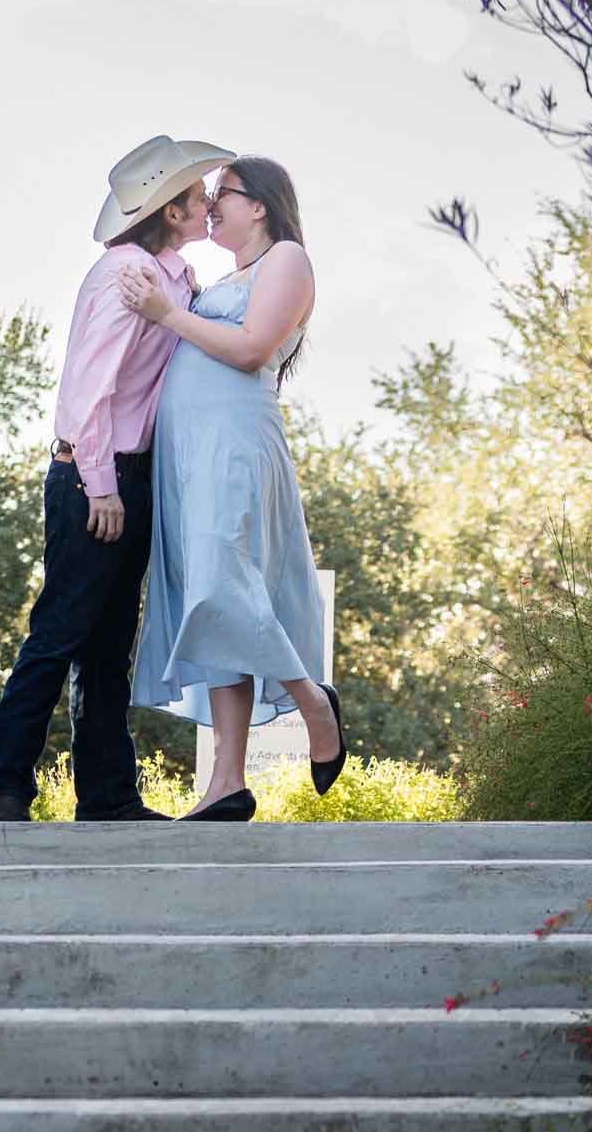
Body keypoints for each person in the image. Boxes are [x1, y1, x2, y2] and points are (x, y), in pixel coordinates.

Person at [0, 134, 234, 823]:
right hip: (94, 474)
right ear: (170, 212)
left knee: (109, 644)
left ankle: (107, 795)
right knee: (60, 631)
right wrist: (101, 486)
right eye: (195, 196)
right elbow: (86, 391)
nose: (207, 201)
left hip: (135, 474)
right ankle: (7, 788)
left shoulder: (175, 278)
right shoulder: (126, 273)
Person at [116, 156, 346, 822]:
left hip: (235, 446)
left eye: (226, 193)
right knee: (207, 601)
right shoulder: (225, 276)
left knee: (223, 583)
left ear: (262, 205)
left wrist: (166, 313)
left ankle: (312, 703)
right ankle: (225, 782)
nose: (212, 204)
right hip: (190, 453)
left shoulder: (288, 259)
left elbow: (249, 350)